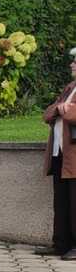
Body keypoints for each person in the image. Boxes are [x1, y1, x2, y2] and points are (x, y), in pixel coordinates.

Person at [40, 51, 76, 260]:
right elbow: (47, 113)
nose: (71, 64)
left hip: (74, 155)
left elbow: (69, 113)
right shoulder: (69, 88)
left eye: (75, 62)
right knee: (60, 200)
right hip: (60, 152)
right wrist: (61, 109)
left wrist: (67, 110)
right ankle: (60, 244)